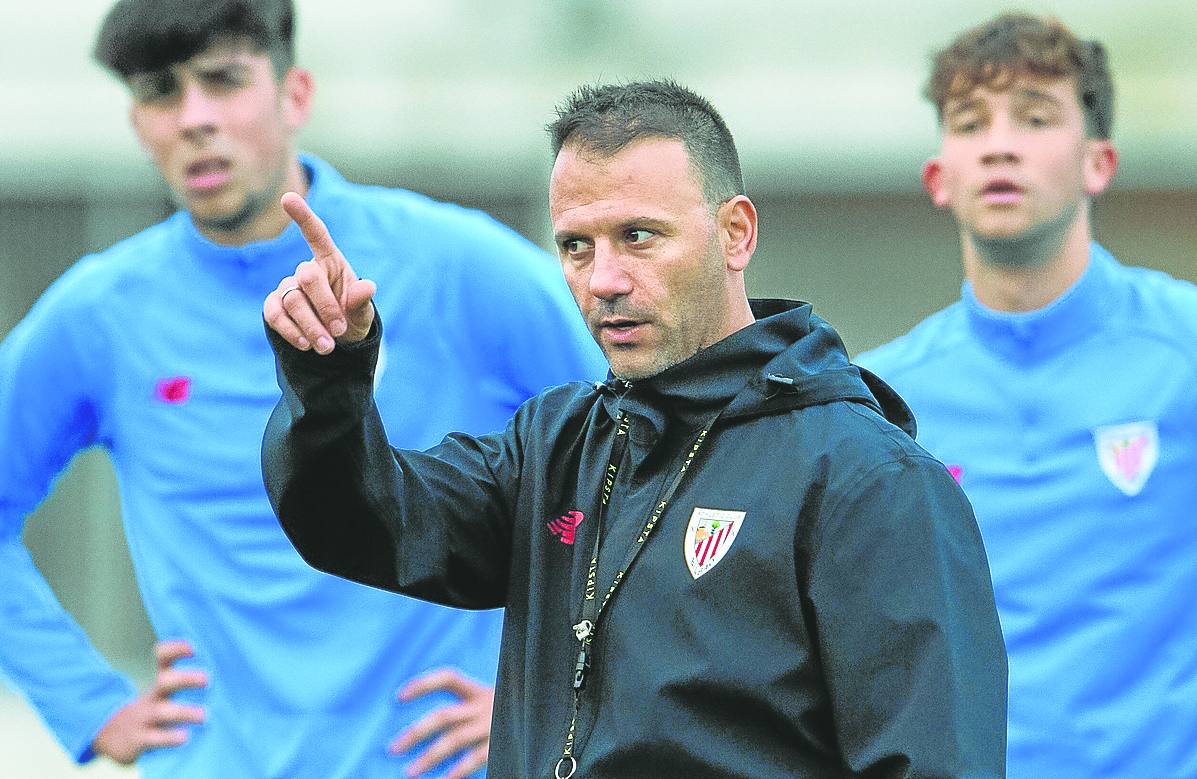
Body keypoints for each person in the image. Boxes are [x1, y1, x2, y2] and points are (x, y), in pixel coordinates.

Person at [262, 78, 1008, 778]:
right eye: (576, 245)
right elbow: (359, 521)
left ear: (735, 233)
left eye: (639, 236)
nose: (603, 279)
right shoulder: (554, 445)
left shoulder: (868, 478)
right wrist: (329, 378)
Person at [0, 0, 607, 776]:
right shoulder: (99, 314)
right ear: (137, 123)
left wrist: (556, 693)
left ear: (295, 95)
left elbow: (645, 456)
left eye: (223, 81)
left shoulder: (460, 267)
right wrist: (90, 705)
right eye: (160, 92)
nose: (194, 119)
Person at [856, 13, 1197, 778]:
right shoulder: (877, 402)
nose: (1000, 143)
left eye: (1035, 117)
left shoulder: (1184, 348)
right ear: (938, 176)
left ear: (1097, 162)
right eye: (970, 122)